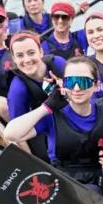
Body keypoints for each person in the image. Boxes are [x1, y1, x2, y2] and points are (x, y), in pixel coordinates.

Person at [3, 56, 103, 196]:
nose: (76, 88)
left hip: (98, 181)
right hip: (62, 185)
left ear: (96, 86)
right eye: (70, 82)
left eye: (84, 82)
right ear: (63, 84)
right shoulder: (52, 114)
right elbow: (10, 134)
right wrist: (45, 107)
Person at [6, 30, 66, 158]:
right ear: (14, 59)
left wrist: (64, 86)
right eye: (20, 55)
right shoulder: (18, 89)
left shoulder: (58, 64)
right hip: (40, 127)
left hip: (68, 117)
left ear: (41, 52)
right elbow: (18, 133)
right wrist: (30, 160)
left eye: (31, 53)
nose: (27, 60)